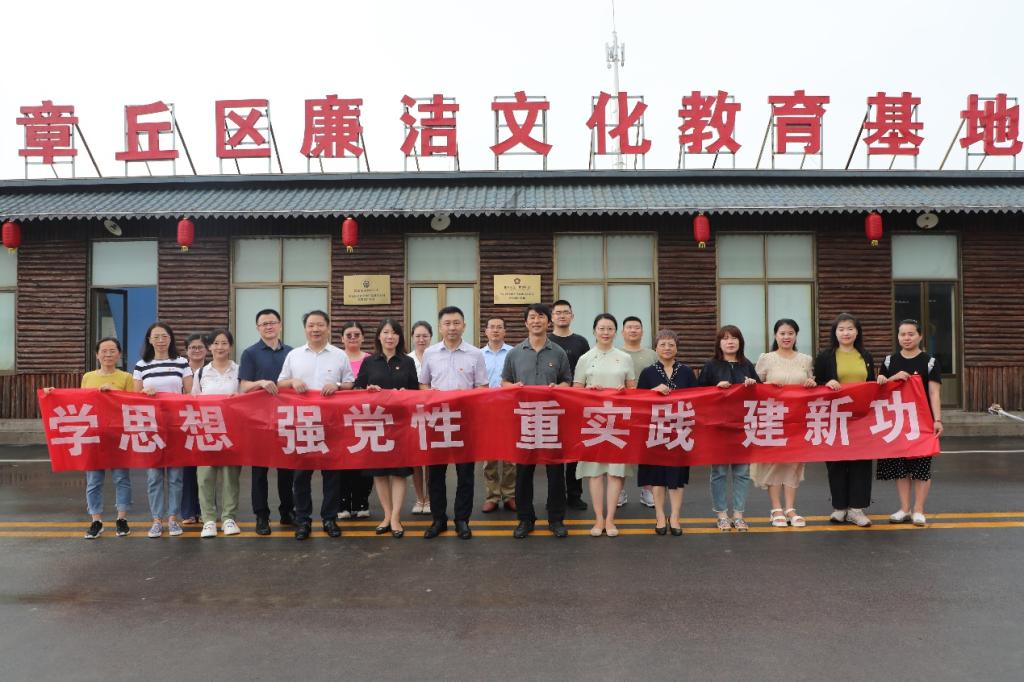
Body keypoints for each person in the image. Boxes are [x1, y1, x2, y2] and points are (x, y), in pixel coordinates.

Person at [277, 310, 354, 540]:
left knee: (332, 474)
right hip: (303, 423)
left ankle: (330, 518)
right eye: (311, 325)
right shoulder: (294, 355)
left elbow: (350, 383)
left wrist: (337, 386)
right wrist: (293, 381)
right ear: (305, 329)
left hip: (332, 423)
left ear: (328, 327)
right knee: (301, 475)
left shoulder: (339, 355)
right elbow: (280, 383)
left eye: (320, 325)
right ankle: (303, 520)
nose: (316, 329)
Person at [502, 304, 573, 538]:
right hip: (524, 421)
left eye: (541, 317)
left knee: (555, 472)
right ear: (526, 323)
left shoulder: (558, 352)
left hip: (551, 419)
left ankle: (556, 519)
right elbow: (504, 382)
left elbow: (567, 381)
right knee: (523, 472)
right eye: (532, 317)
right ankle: (525, 519)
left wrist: (558, 387)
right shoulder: (514, 353)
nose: (536, 321)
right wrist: (514, 387)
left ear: (548, 322)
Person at [418, 306, 489, 540]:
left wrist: (466, 396)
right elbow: (423, 384)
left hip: (464, 421)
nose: (452, 327)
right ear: (440, 327)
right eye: (447, 323)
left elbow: (482, 387)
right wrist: (432, 395)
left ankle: (462, 520)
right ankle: (438, 519)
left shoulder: (475, 354)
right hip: (437, 421)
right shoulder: (430, 353)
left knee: (465, 474)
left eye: (456, 323)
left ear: (464, 326)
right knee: (436, 473)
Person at [354, 319, 420, 538]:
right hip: (376, 422)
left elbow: (416, 391)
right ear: (379, 336)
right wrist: (368, 389)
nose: (390, 336)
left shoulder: (408, 362)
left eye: (394, 333)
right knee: (380, 472)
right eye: (385, 332)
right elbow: (357, 389)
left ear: (400, 337)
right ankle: (386, 514)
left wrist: (405, 393)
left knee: (399, 472)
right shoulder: (369, 361)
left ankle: (396, 517)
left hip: (400, 423)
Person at [573, 313, 637, 538]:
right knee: (595, 471)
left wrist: (624, 391)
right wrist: (588, 390)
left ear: (615, 332)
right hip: (593, 420)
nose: (605, 332)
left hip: (618, 419)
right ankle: (598, 518)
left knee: (615, 471)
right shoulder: (585, 358)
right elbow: (576, 390)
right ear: (594, 331)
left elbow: (633, 390)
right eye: (601, 328)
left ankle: (610, 518)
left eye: (610, 328)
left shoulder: (624, 358)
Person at [876, 319, 944, 526]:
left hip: (921, 422)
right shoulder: (889, 361)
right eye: (902, 334)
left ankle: (919, 510)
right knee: (901, 468)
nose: (906, 338)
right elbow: (879, 388)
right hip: (897, 422)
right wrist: (892, 378)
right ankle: (904, 509)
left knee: (921, 467)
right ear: (897, 337)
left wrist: (937, 419)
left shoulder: (929, 362)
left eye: (911, 334)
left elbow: (934, 393)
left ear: (920, 336)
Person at [753, 319, 817, 528]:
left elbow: (812, 386)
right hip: (773, 417)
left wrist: (811, 383)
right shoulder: (766, 359)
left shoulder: (805, 360)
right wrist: (767, 385)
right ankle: (776, 508)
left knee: (794, 462)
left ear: (796, 335)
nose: (786, 337)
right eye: (782, 333)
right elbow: (754, 387)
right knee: (774, 461)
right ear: (775, 336)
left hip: (798, 418)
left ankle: (790, 508)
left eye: (790, 333)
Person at [814, 313, 876, 528]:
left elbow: (871, 384)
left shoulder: (865, 356)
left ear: (857, 332)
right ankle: (839, 507)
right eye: (841, 329)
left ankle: (857, 509)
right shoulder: (825, 356)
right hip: (835, 416)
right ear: (835, 333)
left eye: (850, 328)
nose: (846, 333)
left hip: (861, 417)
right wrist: (826, 383)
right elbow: (815, 384)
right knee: (836, 462)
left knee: (861, 462)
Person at [133, 322, 193, 539]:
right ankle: (157, 520)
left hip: (176, 425)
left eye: (164, 336)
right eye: (156, 336)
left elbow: (190, 394)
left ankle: (173, 519)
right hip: (152, 427)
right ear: (149, 340)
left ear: (171, 339)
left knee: (176, 476)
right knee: (154, 476)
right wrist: (144, 393)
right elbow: (135, 397)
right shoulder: (141, 365)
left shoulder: (182, 363)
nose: (160, 340)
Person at [238, 308, 295, 536]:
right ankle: (261, 515)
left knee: (287, 468)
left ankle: (287, 511)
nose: (269, 327)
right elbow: (243, 386)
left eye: (272, 322)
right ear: (258, 328)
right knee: (259, 470)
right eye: (264, 324)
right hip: (258, 420)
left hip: (286, 418)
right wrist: (260, 383)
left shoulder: (292, 352)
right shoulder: (250, 353)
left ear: (280, 325)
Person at [698, 325, 758, 532]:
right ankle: (722, 514)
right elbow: (699, 393)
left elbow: (760, 395)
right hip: (718, 427)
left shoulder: (747, 365)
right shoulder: (711, 366)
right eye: (725, 338)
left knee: (742, 472)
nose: (730, 342)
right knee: (719, 472)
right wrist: (715, 389)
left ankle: (739, 514)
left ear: (740, 342)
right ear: (719, 343)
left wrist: (753, 384)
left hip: (742, 426)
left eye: (734, 338)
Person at [636, 330, 696, 537]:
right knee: (657, 477)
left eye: (671, 344)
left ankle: (676, 516)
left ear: (677, 347)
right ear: (656, 348)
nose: (667, 348)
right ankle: (660, 515)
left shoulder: (686, 372)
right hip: (655, 431)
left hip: (680, 431)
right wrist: (653, 392)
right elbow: (639, 401)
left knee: (677, 477)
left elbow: (697, 398)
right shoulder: (647, 373)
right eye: (662, 344)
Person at [78, 337, 136, 539]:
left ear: (119, 354)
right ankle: (96, 520)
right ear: (97, 355)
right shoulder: (88, 377)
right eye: (104, 351)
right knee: (94, 480)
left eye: (112, 350)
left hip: (118, 434)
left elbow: (133, 404)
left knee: (122, 478)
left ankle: (122, 518)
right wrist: (52, 394)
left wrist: (114, 394)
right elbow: (81, 402)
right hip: (94, 435)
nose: (108, 354)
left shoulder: (126, 377)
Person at [192, 329, 243, 538]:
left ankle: (229, 518)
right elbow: (194, 401)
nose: (220, 347)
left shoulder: (240, 370)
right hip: (207, 430)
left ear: (230, 346)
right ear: (209, 347)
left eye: (224, 343)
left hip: (232, 430)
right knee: (205, 477)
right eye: (215, 343)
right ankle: (209, 520)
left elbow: (246, 400)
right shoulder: (201, 373)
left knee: (231, 476)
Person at [549, 299, 590, 511]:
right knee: (553, 452)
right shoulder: (546, 340)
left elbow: (588, 369)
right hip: (550, 404)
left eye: (566, 312)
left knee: (575, 451)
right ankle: (554, 496)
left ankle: (574, 494)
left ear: (572, 316)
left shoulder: (580, 342)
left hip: (576, 403)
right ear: (552, 317)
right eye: (558, 312)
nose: (562, 315)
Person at [619, 316, 659, 509]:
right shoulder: (616, 353)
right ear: (622, 332)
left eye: (637, 327)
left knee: (647, 452)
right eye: (629, 327)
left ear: (642, 332)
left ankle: (647, 490)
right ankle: (619, 490)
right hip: (622, 410)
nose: (633, 330)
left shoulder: (652, 355)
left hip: (647, 410)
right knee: (621, 452)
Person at [338, 320, 374, 521]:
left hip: (365, 416)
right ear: (342, 338)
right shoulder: (336, 357)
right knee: (342, 460)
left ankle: (362, 502)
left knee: (364, 460)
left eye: (356, 335)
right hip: (340, 417)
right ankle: (343, 503)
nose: (353, 338)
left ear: (363, 338)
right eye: (348, 335)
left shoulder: (370, 359)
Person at [480, 316, 516, 513]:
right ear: (486, 331)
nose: (495, 330)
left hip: (509, 409)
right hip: (486, 411)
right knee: (490, 457)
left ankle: (510, 494)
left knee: (511, 457)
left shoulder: (514, 353)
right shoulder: (478, 355)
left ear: (505, 331)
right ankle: (492, 496)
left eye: (499, 327)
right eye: (491, 327)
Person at [179, 333, 208, 525]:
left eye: (200, 347)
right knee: (187, 469)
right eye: (192, 347)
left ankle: (206, 510)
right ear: (186, 350)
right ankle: (188, 511)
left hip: (207, 423)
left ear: (207, 350)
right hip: (183, 422)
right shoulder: (180, 369)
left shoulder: (212, 370)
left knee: (207, 470)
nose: (196, 350)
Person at [408, 321, 433, 515]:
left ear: (431, 337)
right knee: (416, 458)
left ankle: (430, 498)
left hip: (432, 412)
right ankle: (419, 498)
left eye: (425, 336)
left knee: (431, 459)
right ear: (412, 338)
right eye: (417, 336)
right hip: (411, 414)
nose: (421, 339)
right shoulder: (407, 359)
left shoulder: (436, 356)